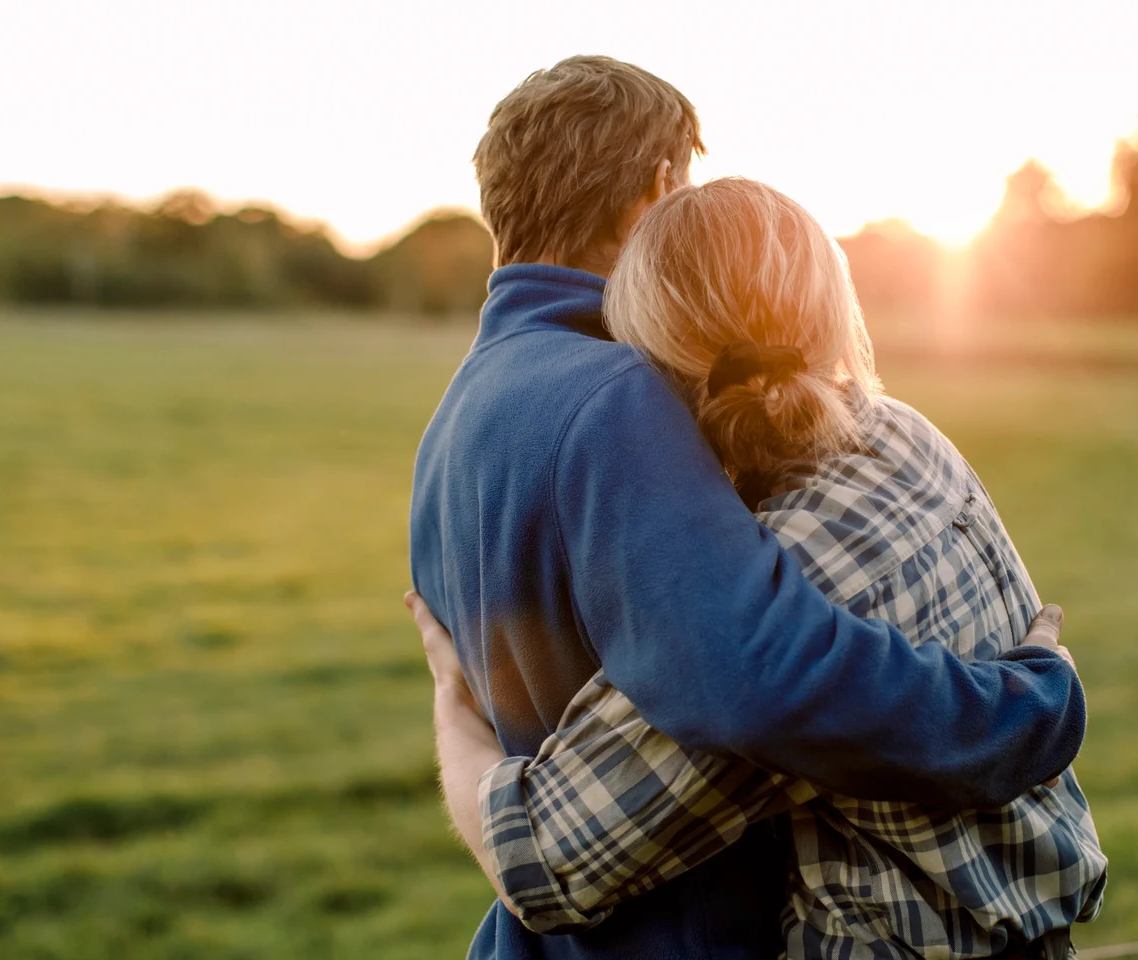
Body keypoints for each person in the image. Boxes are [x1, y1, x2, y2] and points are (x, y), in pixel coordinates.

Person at [405, 56, 1089, 960]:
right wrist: (1025, 711)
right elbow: (758, 677)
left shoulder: (454, 420)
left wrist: (455, 733)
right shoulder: (622, 392)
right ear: (659, 188)